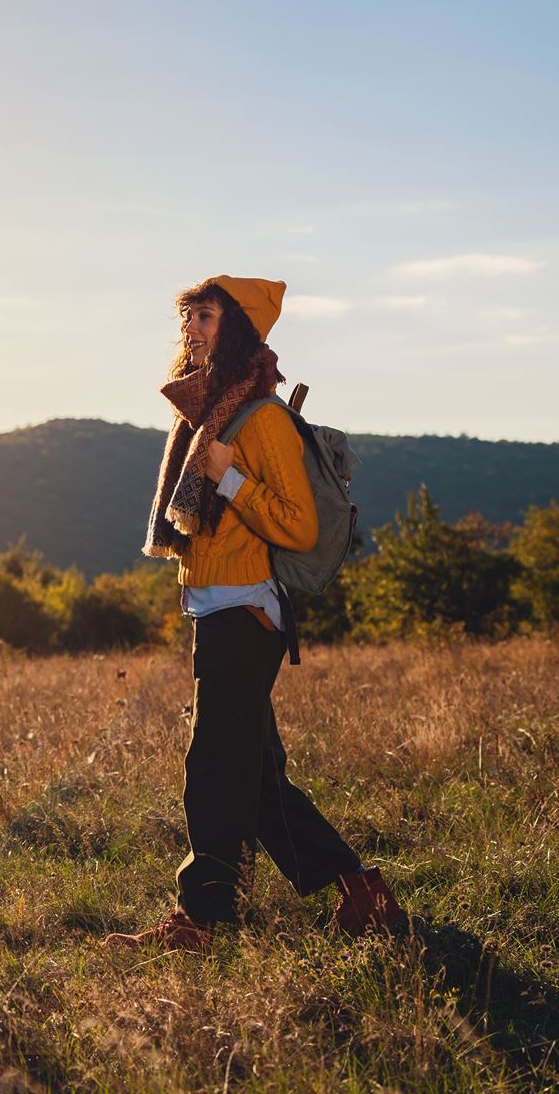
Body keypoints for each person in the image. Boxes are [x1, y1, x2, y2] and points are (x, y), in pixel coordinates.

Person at [106, 275, 407, 953]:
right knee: (255, 775)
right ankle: (361, 891)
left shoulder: (260, 420)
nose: (192, 328)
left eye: (206, 317)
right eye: (188, 317)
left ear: (238, 326)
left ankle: (203, 920)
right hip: (217, 611)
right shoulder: (211, 411)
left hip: (246, 613)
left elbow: (299, 526)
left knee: (213, 767)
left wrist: (230, 477)